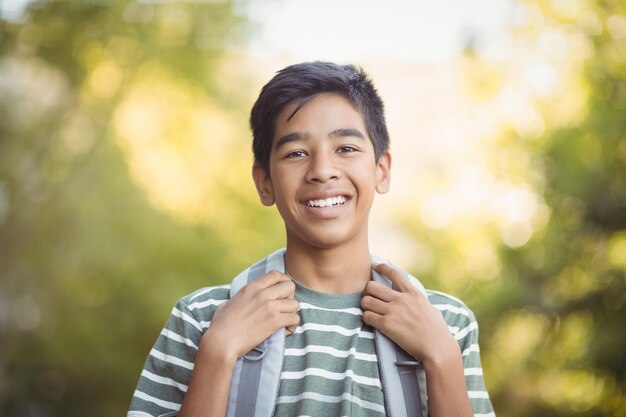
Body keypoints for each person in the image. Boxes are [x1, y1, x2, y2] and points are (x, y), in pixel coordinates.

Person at [128, 61, 495, 417]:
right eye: (296, 153)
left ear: (381, 170)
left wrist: (442, 358)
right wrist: (218, 352)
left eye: (346, 149)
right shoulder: (201, 319)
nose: (322, 171)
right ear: (264, 182)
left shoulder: (446, 323)